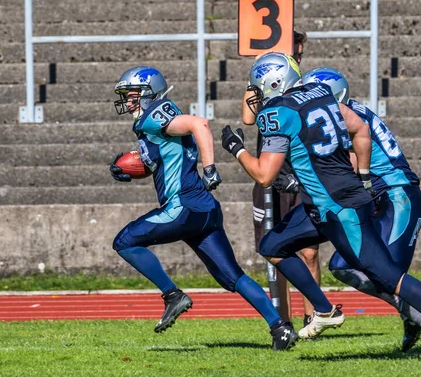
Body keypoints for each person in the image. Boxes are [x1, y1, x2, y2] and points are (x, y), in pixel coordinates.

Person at [221, 52, 421, 362]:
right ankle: (323, 310)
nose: (257, 96)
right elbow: (359, 128)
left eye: (259, 88)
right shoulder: (320, 94)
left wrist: (236, 148)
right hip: (323, 201)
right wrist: (365, 176)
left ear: (275, 84)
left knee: (386, 275)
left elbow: (264, 174)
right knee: (273, 245)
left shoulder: (279, 111)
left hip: (337, 205)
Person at [109, 65, 298, 351]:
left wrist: (210, 168)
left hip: (182, 207)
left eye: (133, 95)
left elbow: (200, 124)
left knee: (124, 241)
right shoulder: (163, 115)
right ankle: (280, 328)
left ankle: (172, 295)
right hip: (204, 210)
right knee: (232, 277)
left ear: (149, 94)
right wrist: (140, 169)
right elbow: (170, 155)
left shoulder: (151, 116)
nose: (129, 101)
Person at [302, 67, 421, 357]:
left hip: (398, 197)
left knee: (388, 276)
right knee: (342, 265)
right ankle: (417, 319)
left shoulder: (344, 119)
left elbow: (341, 162)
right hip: (382, 198)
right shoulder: (349, 112)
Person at [242, 31, 321, 327]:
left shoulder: (306, 87)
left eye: (299, 55)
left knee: (309, 252)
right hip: (271, 176)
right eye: (293, 55)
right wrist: (255, 73)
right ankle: (283, 322)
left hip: (301, 176)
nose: (297, 60)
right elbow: (248, 119)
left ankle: (315, 316)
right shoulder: (267, 86)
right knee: (274, 252)